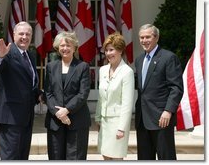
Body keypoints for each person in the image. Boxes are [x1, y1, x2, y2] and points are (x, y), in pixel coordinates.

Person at [0, 21, 43, 160]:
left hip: (26, 116)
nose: (24, 37)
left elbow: (28, 84)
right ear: (14, 35)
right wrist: (0, 57)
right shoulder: (8, 52)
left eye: (28, 34)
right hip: (10, 117)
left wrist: (40, 94)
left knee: (22, 156)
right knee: (11, 157)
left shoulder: (30, 55)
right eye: (21, 33)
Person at [134, 24, 184, 160]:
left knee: (165, 157)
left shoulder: (168, 58)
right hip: (142, 119)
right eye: (141, 37)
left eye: (147, 37)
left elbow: (176, 87)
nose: (144, 40)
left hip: (162, 118)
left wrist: (168, 111)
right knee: (144, 158)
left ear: (156, 38)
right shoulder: (139, 60)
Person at [44, 31, 91, 160]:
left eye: (68, 45)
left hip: (77, 121)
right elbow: (48, 93)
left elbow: (83, 93)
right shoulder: (50, 67)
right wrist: (58, 113)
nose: (65, 48)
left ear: (75, 47)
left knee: (75, 158)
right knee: (55, 158)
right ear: (57, 47)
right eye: (62, 45)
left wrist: (67, 110)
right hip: (55, 122)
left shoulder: (83, 66)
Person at [95, 32, 135, 160]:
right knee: (105, 156)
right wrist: (98, 118)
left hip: (118, 123)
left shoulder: (127, 72)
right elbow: (101, 97)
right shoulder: (102, 70)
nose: (108, 53)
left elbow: (127, 103)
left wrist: (122, 128)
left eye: (111, 50)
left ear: (120, 50)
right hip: (104, 122)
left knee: (116, 158)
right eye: (106, 50)